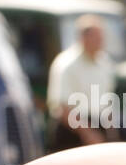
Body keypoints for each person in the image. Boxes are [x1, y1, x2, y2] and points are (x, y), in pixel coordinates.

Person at [46, 15, 116, 149]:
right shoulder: (66, 64)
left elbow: (107, 100)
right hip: (71, 132)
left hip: (98, 127)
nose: (101, 41)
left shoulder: (105, 62)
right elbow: (63, 108)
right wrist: (88, 134)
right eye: (97, 37)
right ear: (84, 38)